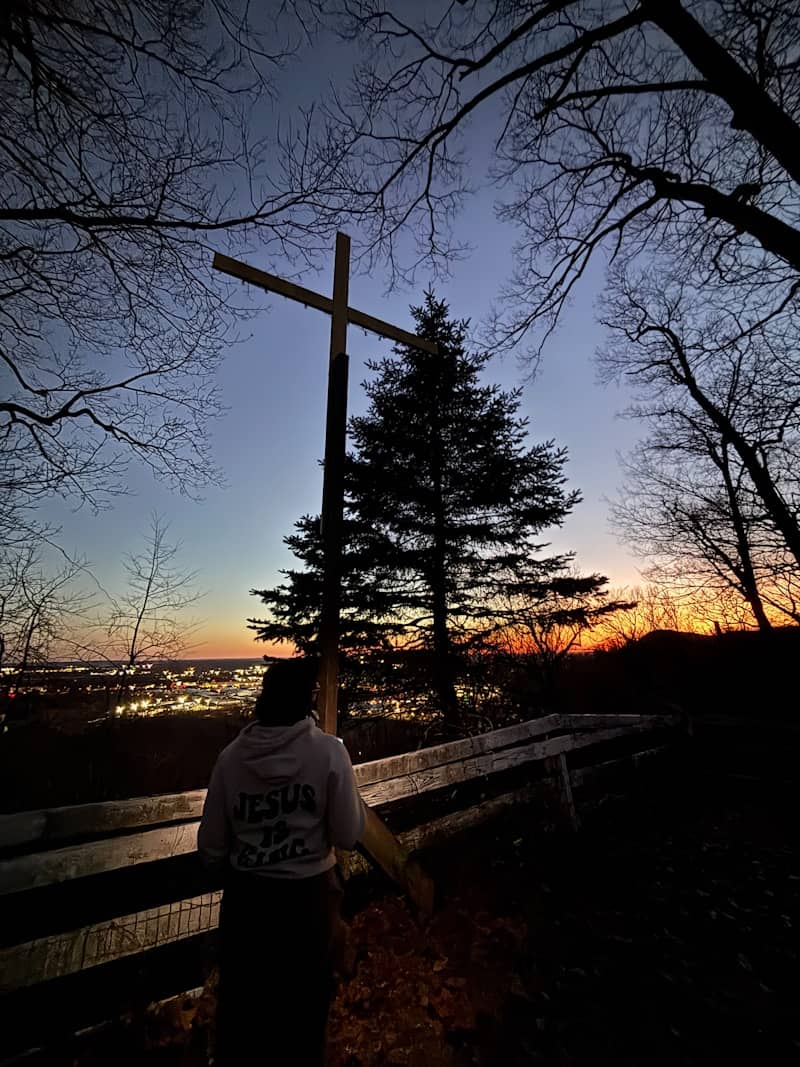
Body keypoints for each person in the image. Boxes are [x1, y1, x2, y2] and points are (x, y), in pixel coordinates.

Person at [198, 656, 365, 1066]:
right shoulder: (329, 754)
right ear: (305, 703)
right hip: (311, 904)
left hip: (248, 904)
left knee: (243, 1021)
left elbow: (211, 847)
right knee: (304, 1020)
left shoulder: (230, 760)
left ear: (263, 700)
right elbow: (349, 835)